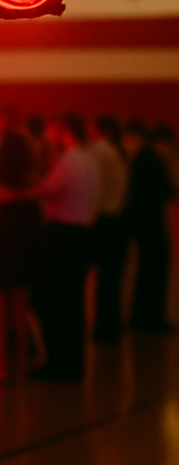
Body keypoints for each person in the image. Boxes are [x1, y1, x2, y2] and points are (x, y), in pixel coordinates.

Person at [31, 113, 100, 381]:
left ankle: (58, 363)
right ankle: (74, 363)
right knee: (73, 303)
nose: (51, 134)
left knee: (51, 300)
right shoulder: (90, 160)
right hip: (84, 233)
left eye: (54, 129)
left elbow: (45, 190)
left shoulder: (68, 161)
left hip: (63, 235)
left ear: (65, 131)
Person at [0, 128, 43, 382]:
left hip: (0, 249)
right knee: (21, 305)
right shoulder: (32, 183)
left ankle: (0, 366)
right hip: (26, 248)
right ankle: (21, 363)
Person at [122, 120, 174, 332]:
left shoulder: (141, 158)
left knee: (146, 271)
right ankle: (152, 319)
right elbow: (165, 190)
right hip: (151, 222)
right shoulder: (152, 159)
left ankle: (141, 317)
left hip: (142, 222)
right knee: (155, 270)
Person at [89, 115, 128, 344]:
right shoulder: (116, 151)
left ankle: (105, 330)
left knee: (106, 280)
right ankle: (109, 327)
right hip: (116, 220)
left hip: (106, 221)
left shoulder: (101, 151)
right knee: (111, 279)